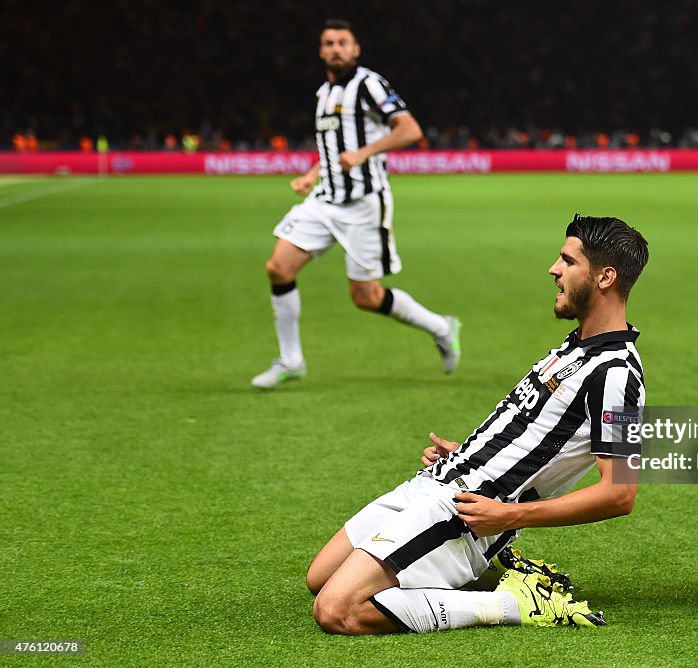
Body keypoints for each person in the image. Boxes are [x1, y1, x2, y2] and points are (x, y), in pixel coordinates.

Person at [305, 215, 648, 634]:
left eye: (567, 261)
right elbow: (532, 430)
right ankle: (494, 568)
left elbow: (620, 493)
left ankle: (513, 603)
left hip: (465, 511)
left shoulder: (618, 374)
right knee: (318, 578)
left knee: (336, 610)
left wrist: (506, 516)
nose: (553, 269)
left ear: (605, 277)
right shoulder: (576, 345)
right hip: (438, 480)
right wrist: (468, 452)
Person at [252, 19, 460, 389]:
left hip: (364, 205)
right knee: (278, 268)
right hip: (324, 201)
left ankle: (441, 327)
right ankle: (291, 360)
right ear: (321, 51)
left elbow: (410, 130)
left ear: (355, 49)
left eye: (342, 43)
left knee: (365, 297)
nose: (335, 49)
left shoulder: (369, 84)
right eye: (328, 43)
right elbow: (332, 148)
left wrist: (364, 153)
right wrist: (312, 174)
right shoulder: (323, 94)